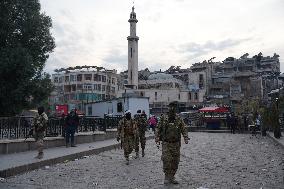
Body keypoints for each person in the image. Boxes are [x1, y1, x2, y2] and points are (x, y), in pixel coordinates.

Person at [155, 101, 189, 185]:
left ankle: (172, 176)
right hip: (166, 143)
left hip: (176, 144)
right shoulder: (163, 118)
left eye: (174, 107)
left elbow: (183, 128)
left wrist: (185, 137)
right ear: (169, 107)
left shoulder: (178, 118)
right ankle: (167, 176)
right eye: (171, 107)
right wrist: (157, 137)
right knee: (166, 160)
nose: (172, 108)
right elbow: (158, 128)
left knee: (175, 161)